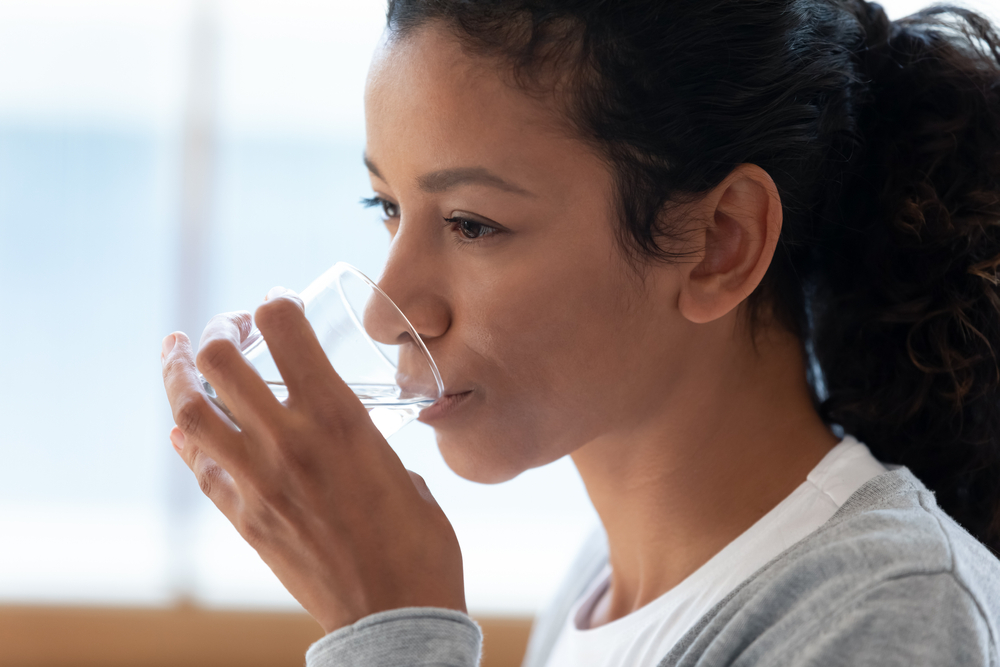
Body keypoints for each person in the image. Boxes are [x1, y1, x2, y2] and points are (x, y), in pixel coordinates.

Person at [160, 0, 1000, 664]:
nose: (386, 313)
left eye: (472, 223)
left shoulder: (889, 612)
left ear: (720, 243)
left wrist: (390, 626)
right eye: (387, 206)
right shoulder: (602, 587)